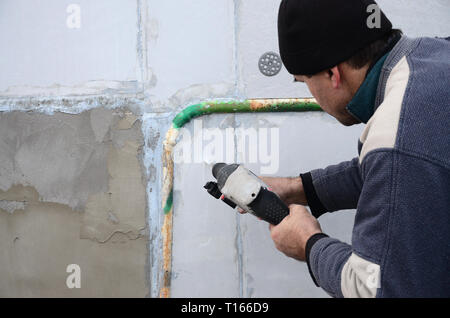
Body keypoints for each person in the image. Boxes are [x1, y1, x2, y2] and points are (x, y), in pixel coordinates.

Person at [250, 0, 449, 297]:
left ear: (333, 74)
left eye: (304, 81)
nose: (312, 94)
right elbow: (400, 174)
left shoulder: (397, 137)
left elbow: (377, 289)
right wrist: (297, 188)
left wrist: (309, 243)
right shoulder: (434, 55)